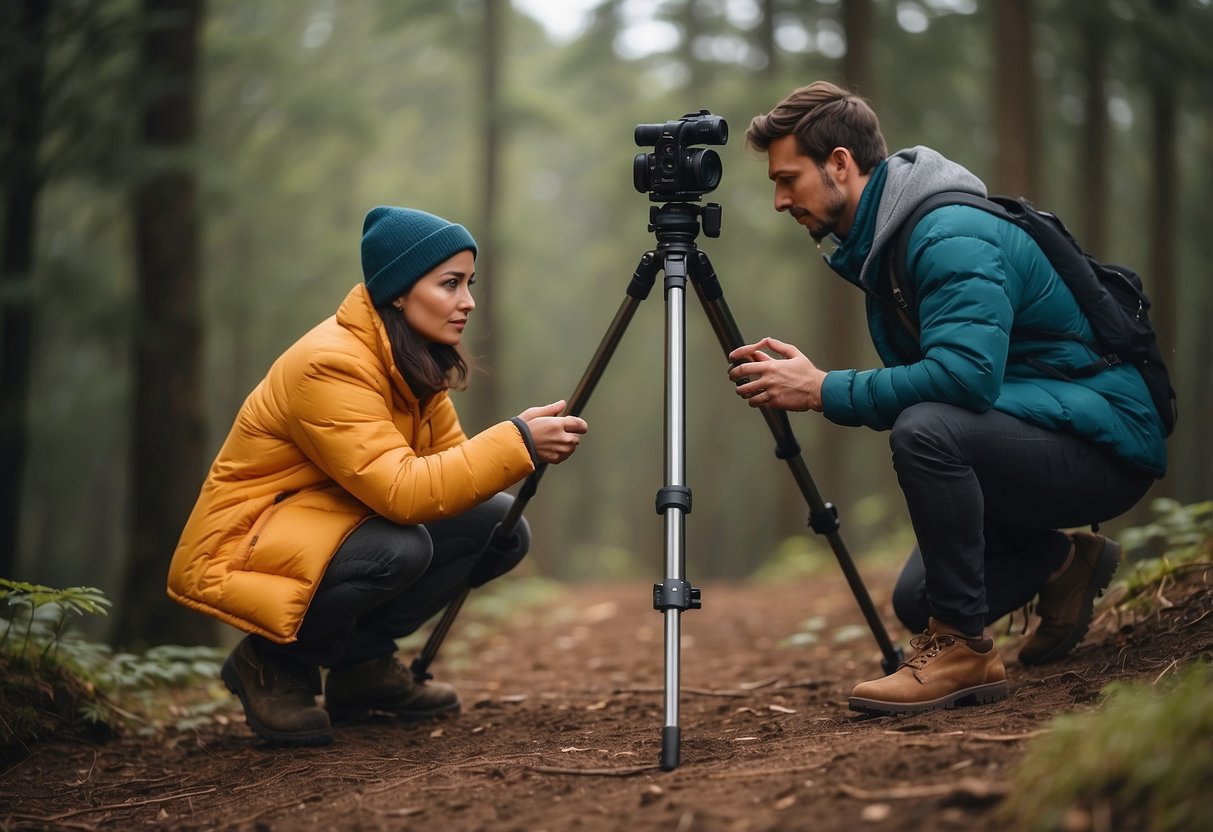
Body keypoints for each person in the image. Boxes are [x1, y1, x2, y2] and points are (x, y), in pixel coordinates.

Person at [729, 81, 1166, 716]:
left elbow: (965, 381)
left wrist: (825, 389)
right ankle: (1065, 564)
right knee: (918, 600)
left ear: (841, 164)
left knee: (926, 430)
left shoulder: (946, 234)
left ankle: (963, 652)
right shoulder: (889, 240)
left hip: (1103, 445)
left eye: (789, 179)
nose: (779, 200)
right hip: (1035, 426)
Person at [168, 206, 589, 745]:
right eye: (451, 284)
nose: (468, 301)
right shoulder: (330, 363)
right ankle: (271, 662)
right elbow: (405, 493)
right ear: (398, 290)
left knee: (497, 528)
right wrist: (517, 442)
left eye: (470, 284)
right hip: (251, 540)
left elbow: (452, 482)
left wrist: (519, 447)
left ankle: (362, 668)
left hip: (332, 525)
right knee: (402, 547)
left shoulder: (412, 361)